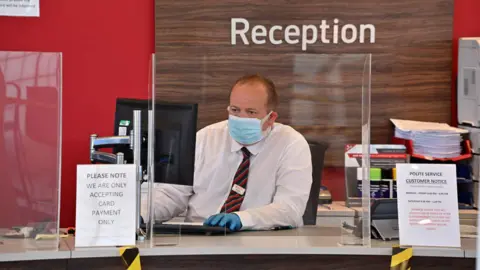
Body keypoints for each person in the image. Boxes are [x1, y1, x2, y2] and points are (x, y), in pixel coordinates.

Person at [148, 74, 312, 231]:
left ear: (270, 118)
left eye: (251, 112)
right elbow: (171, 195)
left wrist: (242, 219)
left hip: (261, 240)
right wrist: (141, 214)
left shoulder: (291, 144)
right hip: (200, 238)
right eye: (235, 110)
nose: (241, 117)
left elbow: (289, 209)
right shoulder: (204, 138)